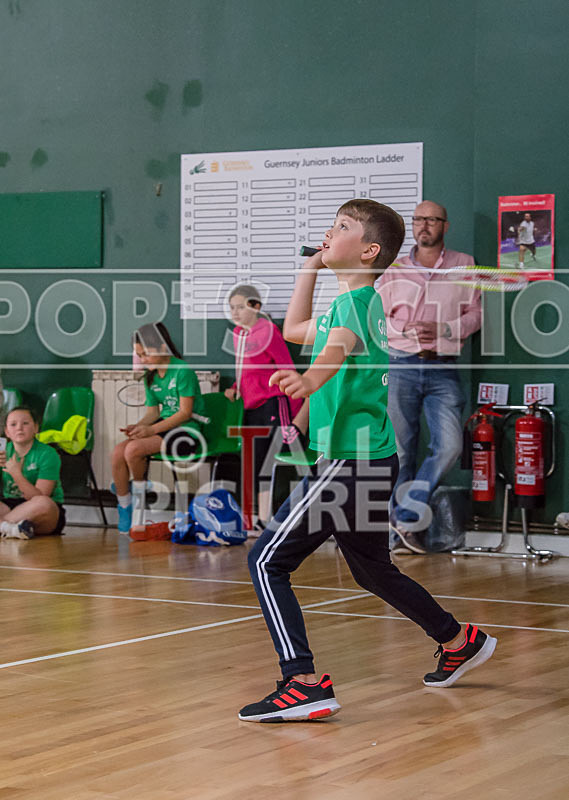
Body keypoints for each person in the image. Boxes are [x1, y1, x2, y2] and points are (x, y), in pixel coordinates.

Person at [238, 199, 496, 723]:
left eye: (342, 228)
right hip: (370, 462)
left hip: (348, 464)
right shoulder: (352, 303)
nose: (329, 234)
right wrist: (308, 269)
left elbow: (333, 352)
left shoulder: (357, 307)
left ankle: (302, 682)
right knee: (373, 570)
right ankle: (457, 639)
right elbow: (293, 330)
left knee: (266, 562)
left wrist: (310, 381)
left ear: (369, 249)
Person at [377, 200, 480, 554]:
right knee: (401, 452)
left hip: (443, 366)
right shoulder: (393, 268)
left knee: (450, 446)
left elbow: (474, 317)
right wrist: (405, 328)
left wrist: (442, 328)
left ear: (445, 226)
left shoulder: (464, 265)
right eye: (419, 219)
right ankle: (399, 534)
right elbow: (377, 314)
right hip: (399, 363)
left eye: (432, 220)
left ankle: (403, 516)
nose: (424, 226)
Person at [224, 285, 303, 531]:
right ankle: (253, 521)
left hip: (273, 403)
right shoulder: (238, 333)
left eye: (240, 307)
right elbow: (246, 368)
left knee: (270, 462)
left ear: (256, 307)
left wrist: (297, 415)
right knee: (253, 462)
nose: (235, 313)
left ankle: (267, 519)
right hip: (250, 407)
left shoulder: (268, 331)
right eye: (231, 308)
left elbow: (287, 368)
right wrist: (236, 386)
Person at [111, 322, 202, 534]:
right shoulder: (150, 377)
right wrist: (139, 426)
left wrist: (150, 430)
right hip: (163, 427)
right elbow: (153, 413)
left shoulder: (182, 371)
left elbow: (184, 413)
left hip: (186, 431)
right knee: (117, 452)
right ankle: (125, 505)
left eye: (145, 354)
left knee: (133, 450)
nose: (142, 360)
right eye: (138, 355)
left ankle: (139, 493)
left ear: (162, 347)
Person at [0, 406, 66, 539]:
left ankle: (4, 527)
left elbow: (39, 496)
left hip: (39, 509)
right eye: (13, 424)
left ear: (35, 428)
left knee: (44, 503)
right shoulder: (4, 451)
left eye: (25, 423)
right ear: (6, 431)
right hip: (10, 505)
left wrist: (16, 474)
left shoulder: (48, 454)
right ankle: (11, 529)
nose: (19, 428)